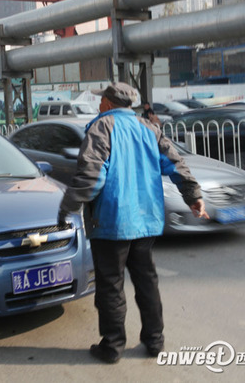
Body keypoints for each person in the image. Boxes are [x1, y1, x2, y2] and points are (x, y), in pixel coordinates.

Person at [57, 82, 208, 364]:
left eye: (102, 100)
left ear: (108, 104)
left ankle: (112, 346)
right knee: (147, 282)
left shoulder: (101, 128)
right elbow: (176, 164)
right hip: (146, 221)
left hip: (111, 222)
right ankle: (154, 341)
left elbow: (93, 177)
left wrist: (68, 206)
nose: (100, 104)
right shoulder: (149, 129)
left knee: (111, 286)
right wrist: (193, 196)